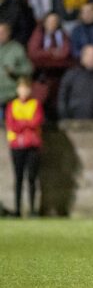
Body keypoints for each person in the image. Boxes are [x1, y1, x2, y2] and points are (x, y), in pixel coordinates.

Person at [4, 77, 43, 217]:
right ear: (17, 89)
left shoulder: (35, 104)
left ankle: (33, 209)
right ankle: (17, 209)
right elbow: (11, 124)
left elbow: (36, 122)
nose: (24, 91)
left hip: (32, 145)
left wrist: (22, 123)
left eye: (26, 88)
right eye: (21, 88)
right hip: (17, 146)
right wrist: (26, 123)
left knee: (32, 178)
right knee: (18, 177)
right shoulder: (12, 105)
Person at [0, 23, 33, 118]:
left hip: (12, 94)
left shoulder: (17, 49)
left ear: (8, 33)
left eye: (3, 32)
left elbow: (29, 69)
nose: (0, 35)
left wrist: (14, 71)